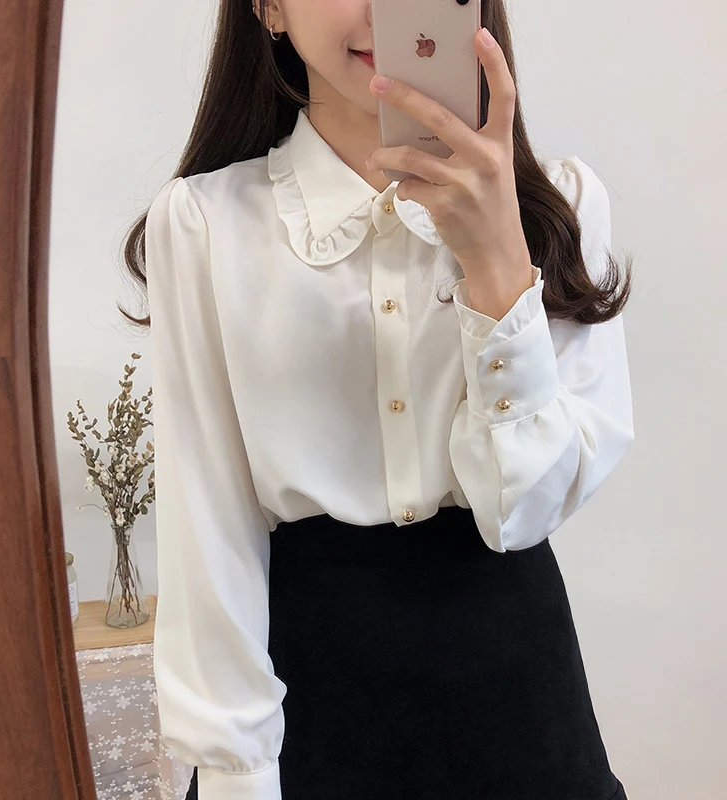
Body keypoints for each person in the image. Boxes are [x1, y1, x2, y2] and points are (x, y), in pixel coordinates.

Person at [121, 1, 636, 798]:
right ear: (269, 7)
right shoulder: (204, 224)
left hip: (519, 698)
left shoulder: (559, 204)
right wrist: (235, 772)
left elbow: (523, 513)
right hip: (311, 696)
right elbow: (207, 526)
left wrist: (497, 263)